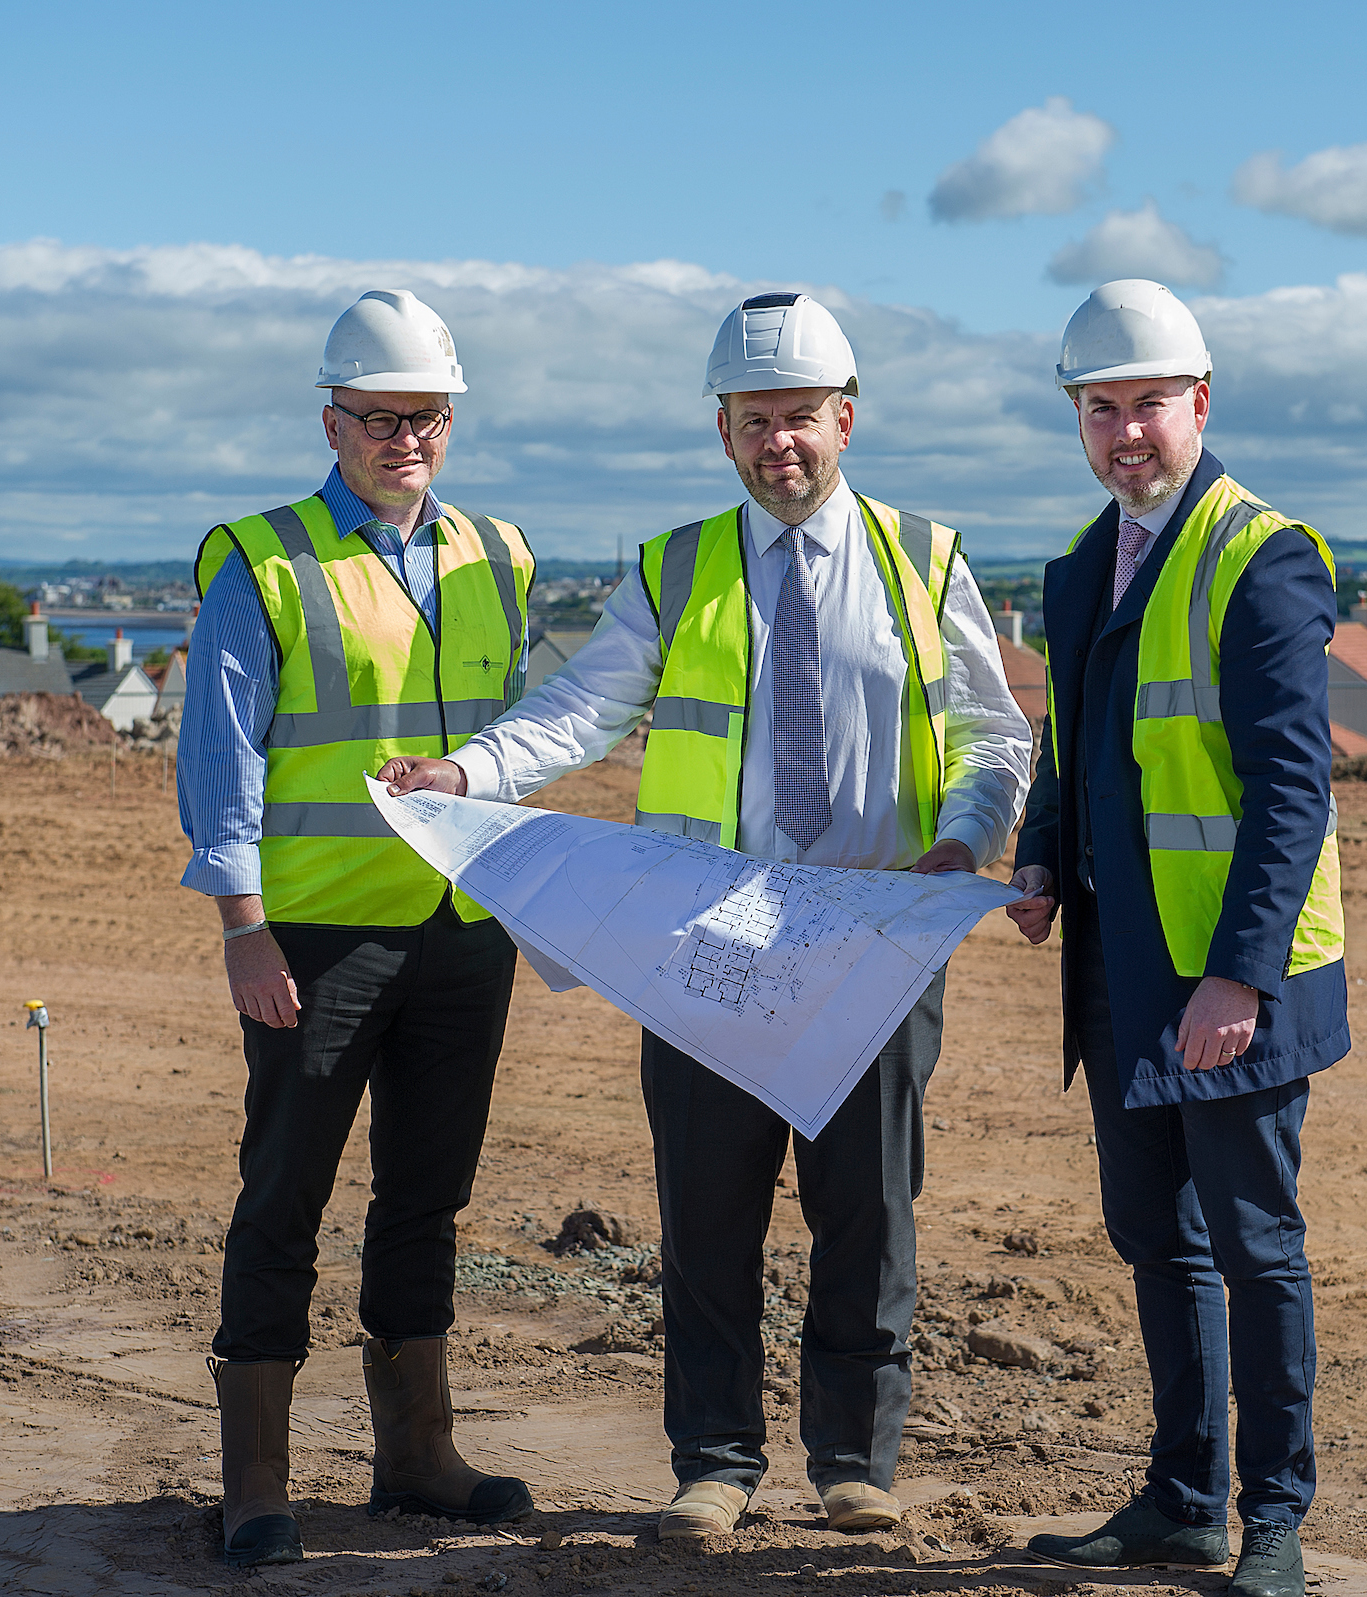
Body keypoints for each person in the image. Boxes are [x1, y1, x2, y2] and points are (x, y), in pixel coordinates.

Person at [381, 292, 1031, 1544]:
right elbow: (579, 710)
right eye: (754, 422)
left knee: (869, 1209)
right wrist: (465, 773)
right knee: (709, 1213)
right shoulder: (677, 567)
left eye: (800, 419)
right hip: (708, 942)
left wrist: (963, 839)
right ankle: (717, 1464)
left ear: (846, 419)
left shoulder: (926, 558)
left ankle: (853, 1458)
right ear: (722, 431)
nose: (779, 442)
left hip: (870, 938)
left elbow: (994, 732)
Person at [178, 290, 540, 1567]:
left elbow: (512, 743)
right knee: (285, 1191)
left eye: (427, 417)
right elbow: (220, 758)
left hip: (461, 929)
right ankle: (258, 1476)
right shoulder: (264, 560)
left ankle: (417, 1454)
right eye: (379, 418)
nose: (405, 439)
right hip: (318, 937)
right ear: (330, 421)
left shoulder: (500, 554)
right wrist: (241, 926)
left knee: (427, 1196)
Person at [1004, 279, 1349, 1597]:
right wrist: (1040, 850)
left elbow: (1290, 791)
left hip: (1229, 982)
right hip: (1121, 968)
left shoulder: (1262, 554)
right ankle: (1184, 1498)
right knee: (1158, 1236)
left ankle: (1275, 1518)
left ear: (1200, 402)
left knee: (1256, 1244)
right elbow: (1069, 743)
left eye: (1149, 402)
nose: (1126, 431)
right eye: (1102, 408)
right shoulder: (1087, 563)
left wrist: (1240, 975)